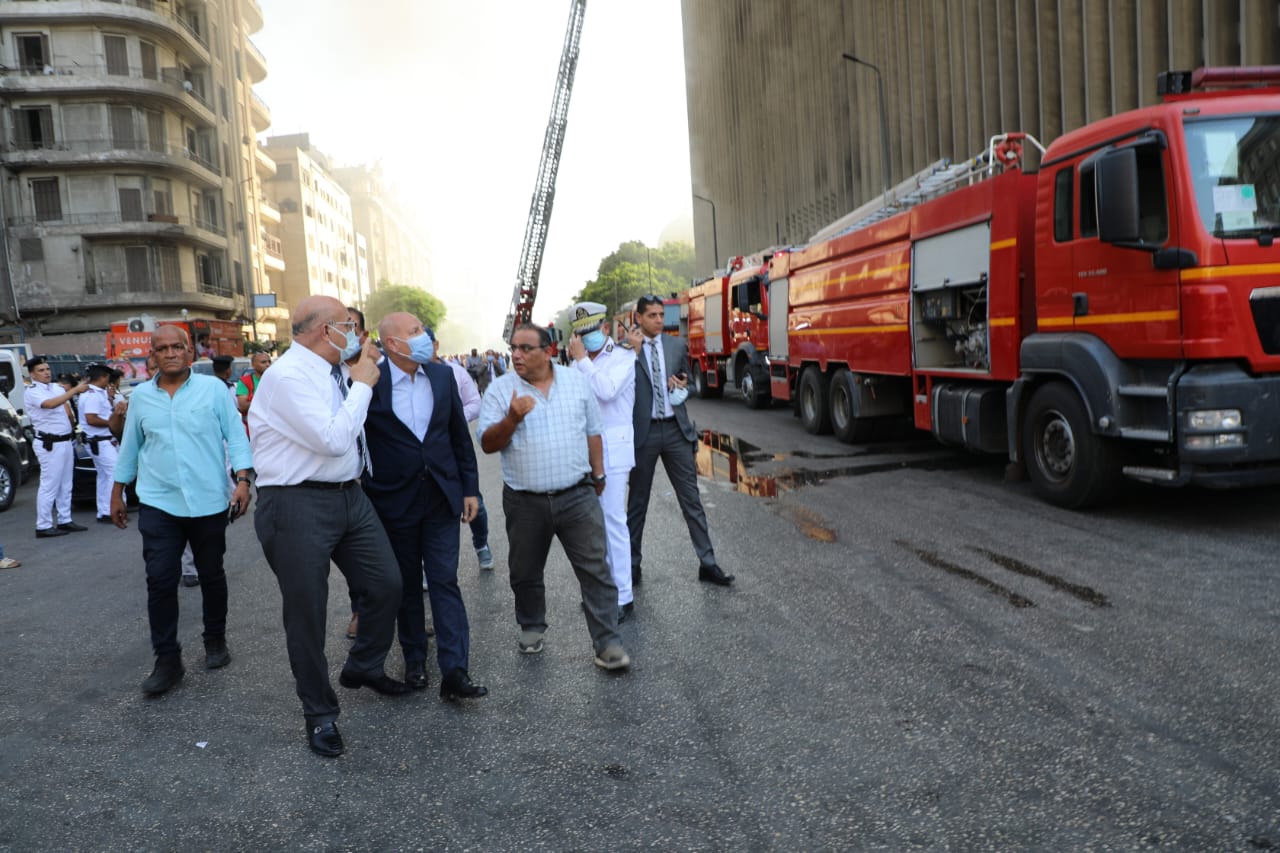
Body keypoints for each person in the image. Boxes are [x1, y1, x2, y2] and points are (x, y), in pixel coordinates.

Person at [249, 295, 407, 758]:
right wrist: (363, 385)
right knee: (307, 614)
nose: (355, 334)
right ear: (325, 331)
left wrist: (356, 377)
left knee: (386, 583)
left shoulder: (333, 369)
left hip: (348, 495)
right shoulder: (287, 377)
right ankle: (319, 714)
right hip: (295, 502)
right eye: (348, 326)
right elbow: (334, 439)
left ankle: (364, 665)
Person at [477, 323, 630, 671]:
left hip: (577, 495)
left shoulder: (576, 382)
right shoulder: (501, 390)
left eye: (525, 348)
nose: (516, 355)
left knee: (595, 569)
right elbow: (487, 444)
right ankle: (531, 625)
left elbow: (593, 431)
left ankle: (607, 642)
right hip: (524, 501)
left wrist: (599, 473)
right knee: (525, 571)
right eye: (513, 348)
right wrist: (512, 419)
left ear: (547, 352)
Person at [111, 325, 253, 696]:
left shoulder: (214, 390)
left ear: (190, 351)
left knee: (211, 573)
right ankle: (167, 660)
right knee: (160, 579)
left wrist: (243, 480)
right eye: (163, 348)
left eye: (178, 346)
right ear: (152, 356)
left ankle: (215, 639)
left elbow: (236, 436)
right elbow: (130, 446)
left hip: (208, 500)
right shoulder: (142, 397)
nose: (171, 353)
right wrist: (117, 492)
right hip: (159, 502)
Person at [362, 312, 487, 700]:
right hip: (393, 500)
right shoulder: (370, 383)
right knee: (407, 586)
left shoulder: (442, 376)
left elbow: (458, 438)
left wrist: (470, 489)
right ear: (393, 344)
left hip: (440, 496)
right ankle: (415, 660)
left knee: (444, 580)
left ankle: (455, 670)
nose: (424, 337)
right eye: (415, 332)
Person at [628, 294, 735, 587]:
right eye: (652, 315)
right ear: (639, 318)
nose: (659, 320)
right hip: (644, 434)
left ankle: (708, 563)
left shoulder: (676, 345)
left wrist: (684, 384)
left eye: (661, 315)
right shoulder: (626, 349)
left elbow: (689, 382)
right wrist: (632, 353)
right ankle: (631, 566)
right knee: (637, 504)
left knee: (692, 501)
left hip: (676, 430)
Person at [567, 302, 638, 622]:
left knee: (613, 521)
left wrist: (582, 361)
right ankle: (601, 591)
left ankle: (623, 596)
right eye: (580, 333)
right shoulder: (575, 366)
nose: (586, 338)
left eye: (591, 331)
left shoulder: (623, 357)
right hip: (583, 452)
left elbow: (607, 391)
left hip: (613, 450)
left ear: (606, 329)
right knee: (591, 527)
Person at [433, 334, 494, 571]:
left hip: (453, 446)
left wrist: (454, 420)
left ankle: (481, 544)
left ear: (435, 345)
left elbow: (475, 403)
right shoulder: (404, 376)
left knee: (473, 500)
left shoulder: (455, 372)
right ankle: (430, 564)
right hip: (422, 454)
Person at [25, 356, 89, 538]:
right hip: (49, 443)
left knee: (66, 484)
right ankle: (43, 525)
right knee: (49, 485)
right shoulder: (32, 391)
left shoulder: (56, 388)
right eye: (41, 370)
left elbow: (66, 408)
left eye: (47, 369)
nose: (46, 372)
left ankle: (64, 519)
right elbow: (49, 404)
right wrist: (74, 390)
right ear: (32, 375)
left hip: (65, 441)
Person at [79, 364, 119, 524]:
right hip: (100, 441)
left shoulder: (98, 393)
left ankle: (104, 511)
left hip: (101, 441)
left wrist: (110, 398)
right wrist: (111, 423)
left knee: (104, 477)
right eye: (108, 377)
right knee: (114, 475)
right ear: (103, 377)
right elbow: (91, 418)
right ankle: (111, 510)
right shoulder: (93, 395)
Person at [235, 351, 272, 428]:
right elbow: (243, 406)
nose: (268, 364)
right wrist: (266, 399)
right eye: (263, 362)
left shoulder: (276, 380)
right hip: (252, 428)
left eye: (269, 361)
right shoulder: (245, 381)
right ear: (253, 365)